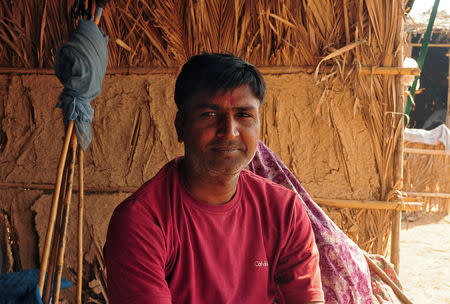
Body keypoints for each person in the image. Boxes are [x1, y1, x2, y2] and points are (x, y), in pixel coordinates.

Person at [104, 53, 324, 304]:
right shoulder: (142, 221)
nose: (229, 131)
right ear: (181, 126)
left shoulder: (284, 211)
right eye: (210, 114)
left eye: (243, 114)